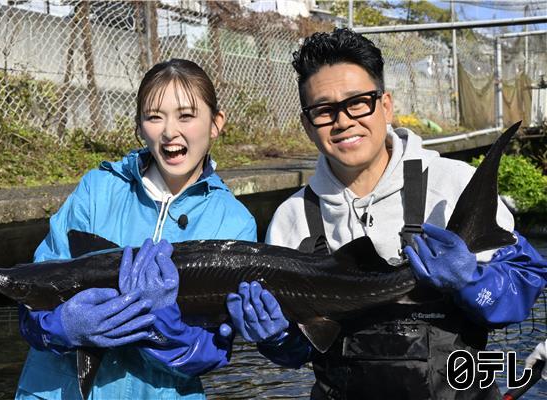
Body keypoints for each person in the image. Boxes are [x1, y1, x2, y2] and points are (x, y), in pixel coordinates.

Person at [224, 28, 547, 399]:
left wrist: (472, 281)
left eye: (358, 102)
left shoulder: (453, 184)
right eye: (324, 110)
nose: (343, 121)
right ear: (307, 124)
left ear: (386, 105)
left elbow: (524, 286)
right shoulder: (291, 217)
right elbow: (303, 349)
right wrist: (277, 339)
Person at [15, 58, 257, 399]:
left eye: (186, 115)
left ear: (216, 123)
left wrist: (164, 328)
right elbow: (31, 299)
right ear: (140, 127)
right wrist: (63, 327)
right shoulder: (97, 189)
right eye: (154, 116)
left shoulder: (234, 221)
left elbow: (215, 351)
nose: (170, 131)